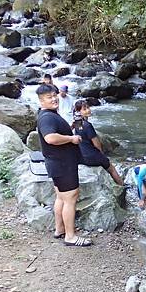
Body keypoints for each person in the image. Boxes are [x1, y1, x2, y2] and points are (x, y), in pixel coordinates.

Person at [36, 84, 91, 247]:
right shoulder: (47, 117)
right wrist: (71, 139)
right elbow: (50, 138)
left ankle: (60, 230)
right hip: (62, 163)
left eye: (54, 95)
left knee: (61, 197)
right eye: (48, 97)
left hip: (57, 163)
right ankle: (70, 236)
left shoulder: (48, 114)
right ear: (41, 101)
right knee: (70, 198)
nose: (54, 99)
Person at [73, 100, 124, 186]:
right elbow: (97, 144)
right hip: (91, 157)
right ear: (79, 111)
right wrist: (101, 155)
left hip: (81, 157)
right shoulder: (88, 125)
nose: (88, 110)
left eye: (88, 108)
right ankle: (122, 185)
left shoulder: (77, 123)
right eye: (84, 109)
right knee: (111, 168)